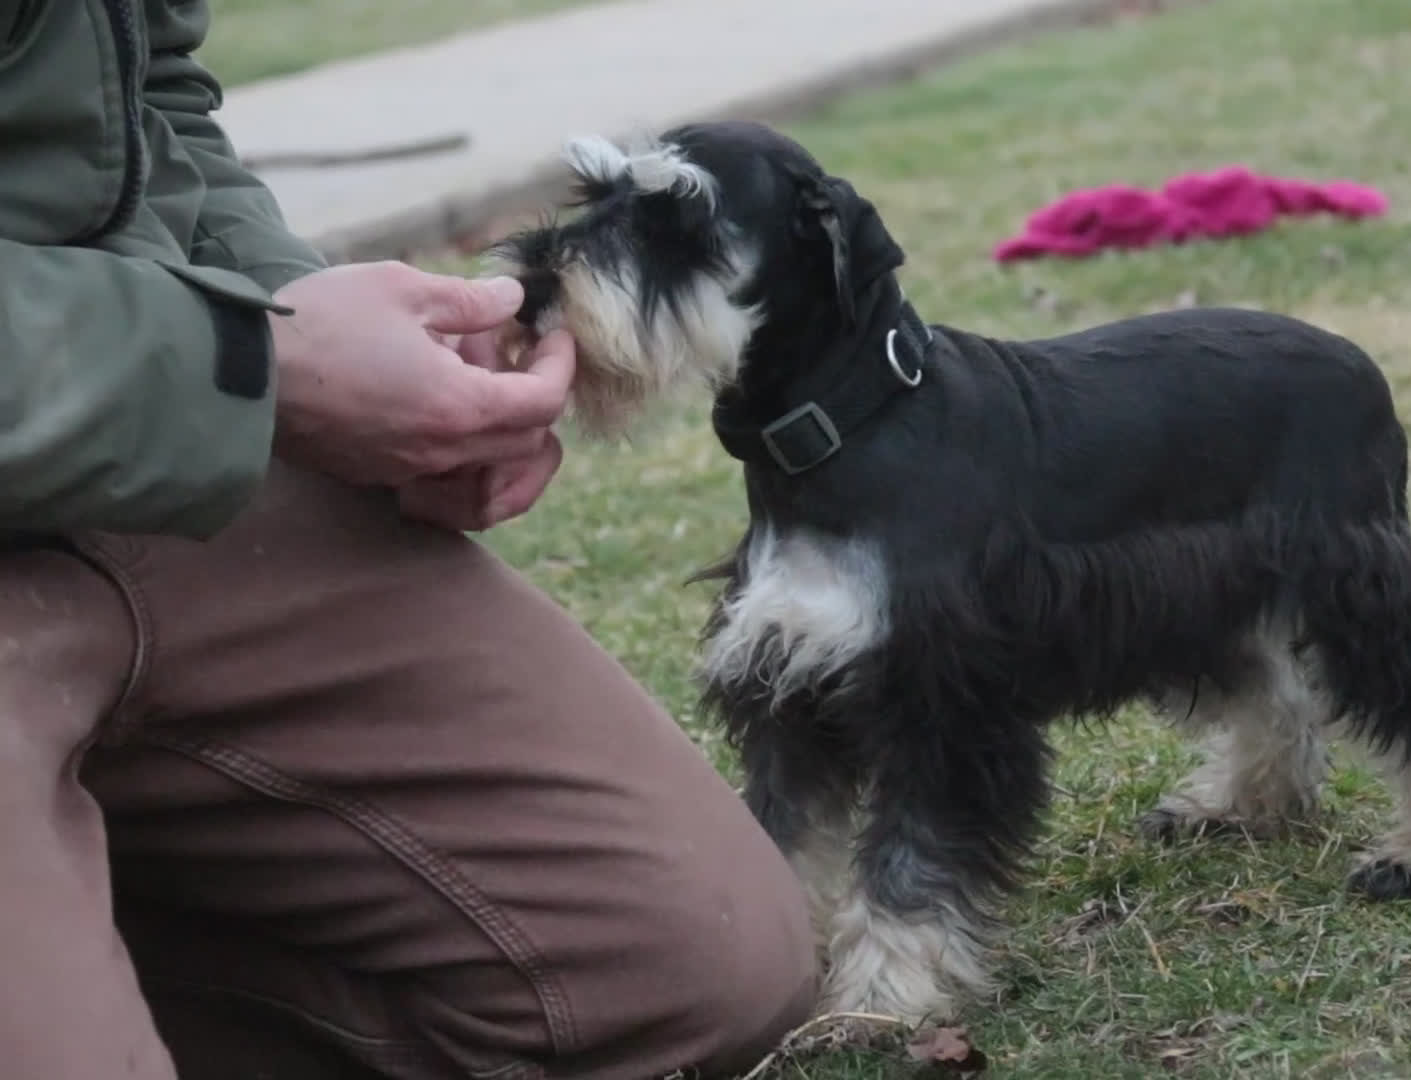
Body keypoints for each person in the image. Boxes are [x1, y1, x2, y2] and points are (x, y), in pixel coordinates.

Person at [0, 2, 818, 1077]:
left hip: (135, 454)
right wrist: (253, 369)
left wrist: (293, 311)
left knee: (685, 972)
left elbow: (147, 94)